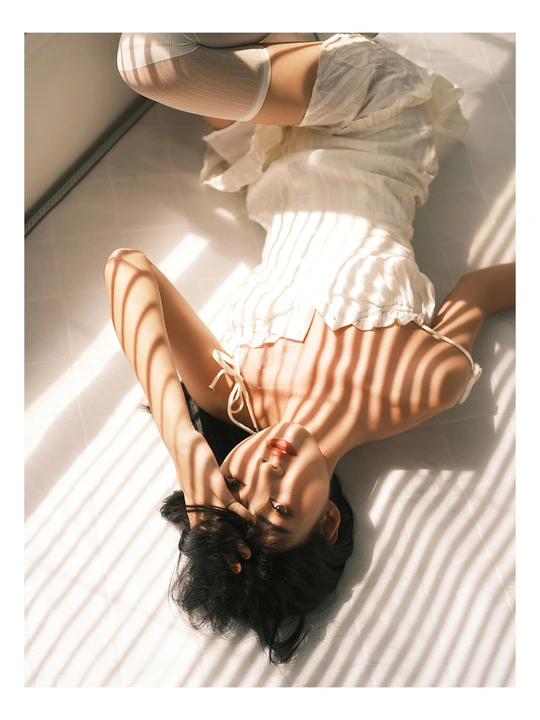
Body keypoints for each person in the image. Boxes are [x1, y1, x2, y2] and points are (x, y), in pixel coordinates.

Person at [106, 33, 516, 664]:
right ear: (327, 520)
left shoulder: (234, 397)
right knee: (151, 60)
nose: (267, 470)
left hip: (269, 153)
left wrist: (185, 444)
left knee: (178, 38)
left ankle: (297, 36)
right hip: (370, 118)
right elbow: (481, 290)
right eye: (277, 509)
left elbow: (127, 269)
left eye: (236, 483)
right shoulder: (420, 386)